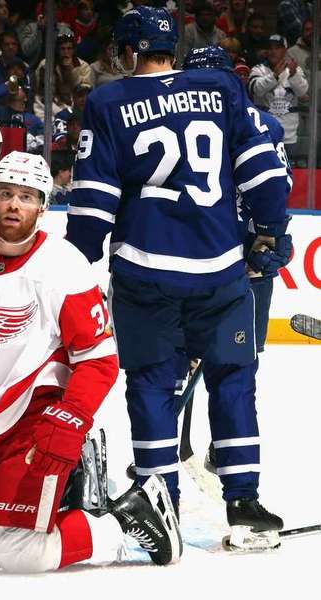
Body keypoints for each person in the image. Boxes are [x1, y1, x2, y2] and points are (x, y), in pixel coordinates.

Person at [66, 7, 290, 552]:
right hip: (221, 269)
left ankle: (160, 494)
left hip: (146, 271)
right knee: (234, 380)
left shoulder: (108, 101)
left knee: (150, 385)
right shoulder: (219, 88)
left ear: (125, 52)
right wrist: (268, 233)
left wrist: (72, 268)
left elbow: (94, 203)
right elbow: (262, 171)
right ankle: (244, 502)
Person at [0, 151, 181, 573]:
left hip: (30, 422)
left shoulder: (63, 266)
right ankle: (33, 504)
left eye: (27, 197)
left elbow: (99, 359)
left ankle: (122, 523)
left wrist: (70, 419)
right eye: (5, 194)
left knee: (19, 554)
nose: (14, 205)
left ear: (43, 206)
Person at [182, 44, 294, 473]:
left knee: (236, 362)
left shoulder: (262, 125)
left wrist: (270, 243)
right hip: (213, 257)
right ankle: (182, 446)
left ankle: (219, 446)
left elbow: (272, 193)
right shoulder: (257, 122)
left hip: (227, 257)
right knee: (212, 361)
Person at [249, 34, 309, 152]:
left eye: (277, 48)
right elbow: (256, 89)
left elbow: (303, 92)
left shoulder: (294, 70)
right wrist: (274, 76)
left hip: (289, 136)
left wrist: (293, 75)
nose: (273, 51)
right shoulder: (258, 69)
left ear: (285, 50)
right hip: (264, 133)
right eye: (270, 48)